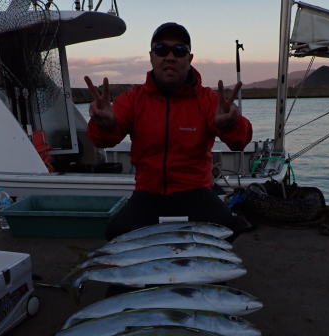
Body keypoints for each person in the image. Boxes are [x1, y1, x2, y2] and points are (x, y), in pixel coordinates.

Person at [85, 22, 253, 241]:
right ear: (151, 57)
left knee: (229, 231)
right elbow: (101, 140)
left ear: (189, 58)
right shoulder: (133, 99)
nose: (170, 57)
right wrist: (104, 124)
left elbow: (240, 141)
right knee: (115, 234)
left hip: (196, 192)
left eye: (179, 50)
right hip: (148, 194)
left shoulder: (208, 100)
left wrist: (231, 124)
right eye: (161, 50)